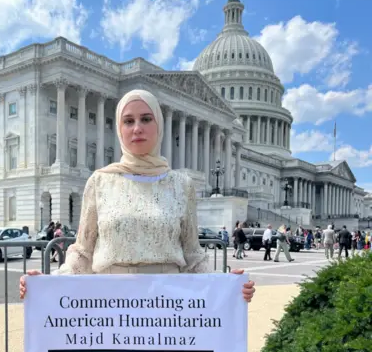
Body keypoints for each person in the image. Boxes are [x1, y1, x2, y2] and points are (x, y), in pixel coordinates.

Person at [19, 89, 255, 303]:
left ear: (159, 124)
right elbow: (82, 253)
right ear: (120, 129)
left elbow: (192, 255)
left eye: (146, 119)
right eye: (128, 121)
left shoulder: (181, 185)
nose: (137, 128)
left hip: (167, 306)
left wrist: (227, 284)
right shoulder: (100, 181)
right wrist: (45, 283)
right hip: (109, 306)